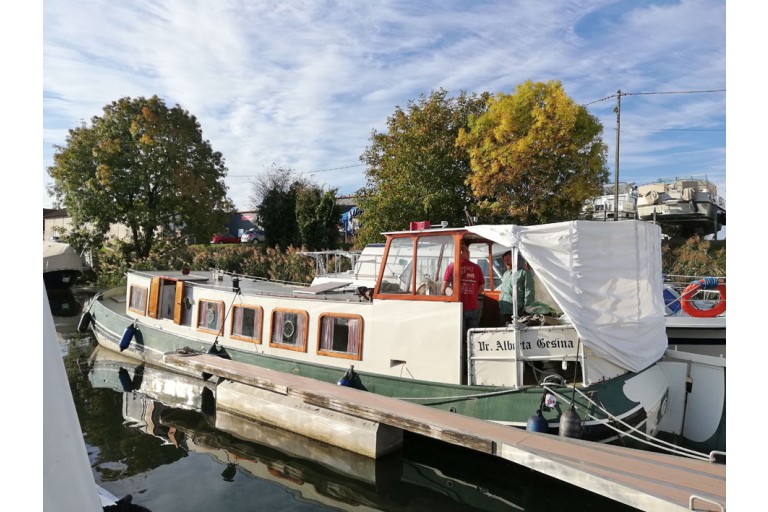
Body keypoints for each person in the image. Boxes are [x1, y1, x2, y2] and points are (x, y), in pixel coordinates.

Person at [440, 243, 485, 331]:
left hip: (457, 306)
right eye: (467, 251)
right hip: (472, 305)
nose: (468, 253)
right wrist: (473, 294)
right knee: (473, 332)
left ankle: (461, 344)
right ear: (466, 253)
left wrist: (444, 294)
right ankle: (471, 344)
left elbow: (444, 287)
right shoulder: (476, 267)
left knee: (457, 332)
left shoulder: (452, 266)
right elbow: (482, 287)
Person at [499, 251, 535, 324]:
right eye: (505, 261)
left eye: (508, 260)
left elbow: (529, 291)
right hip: (504, 310)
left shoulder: (524, 273)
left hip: (517, 310)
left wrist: (527, 308)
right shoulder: (506, 274)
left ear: (515, 260)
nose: (506, 263)